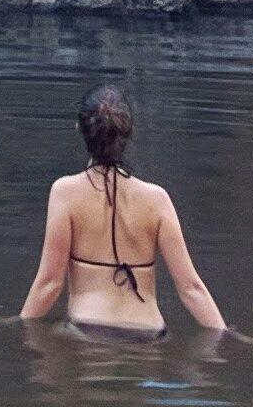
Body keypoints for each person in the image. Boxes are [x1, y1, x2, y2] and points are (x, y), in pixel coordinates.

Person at [16, 82, 230, 338]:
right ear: (127, 135)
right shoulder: (157, 199)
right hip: (150, 335)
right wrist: (226, 334)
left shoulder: (65, 192)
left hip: (87, 331)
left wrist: (19, 327)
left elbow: (49, 285)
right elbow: (191, 289)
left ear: (80, 130)